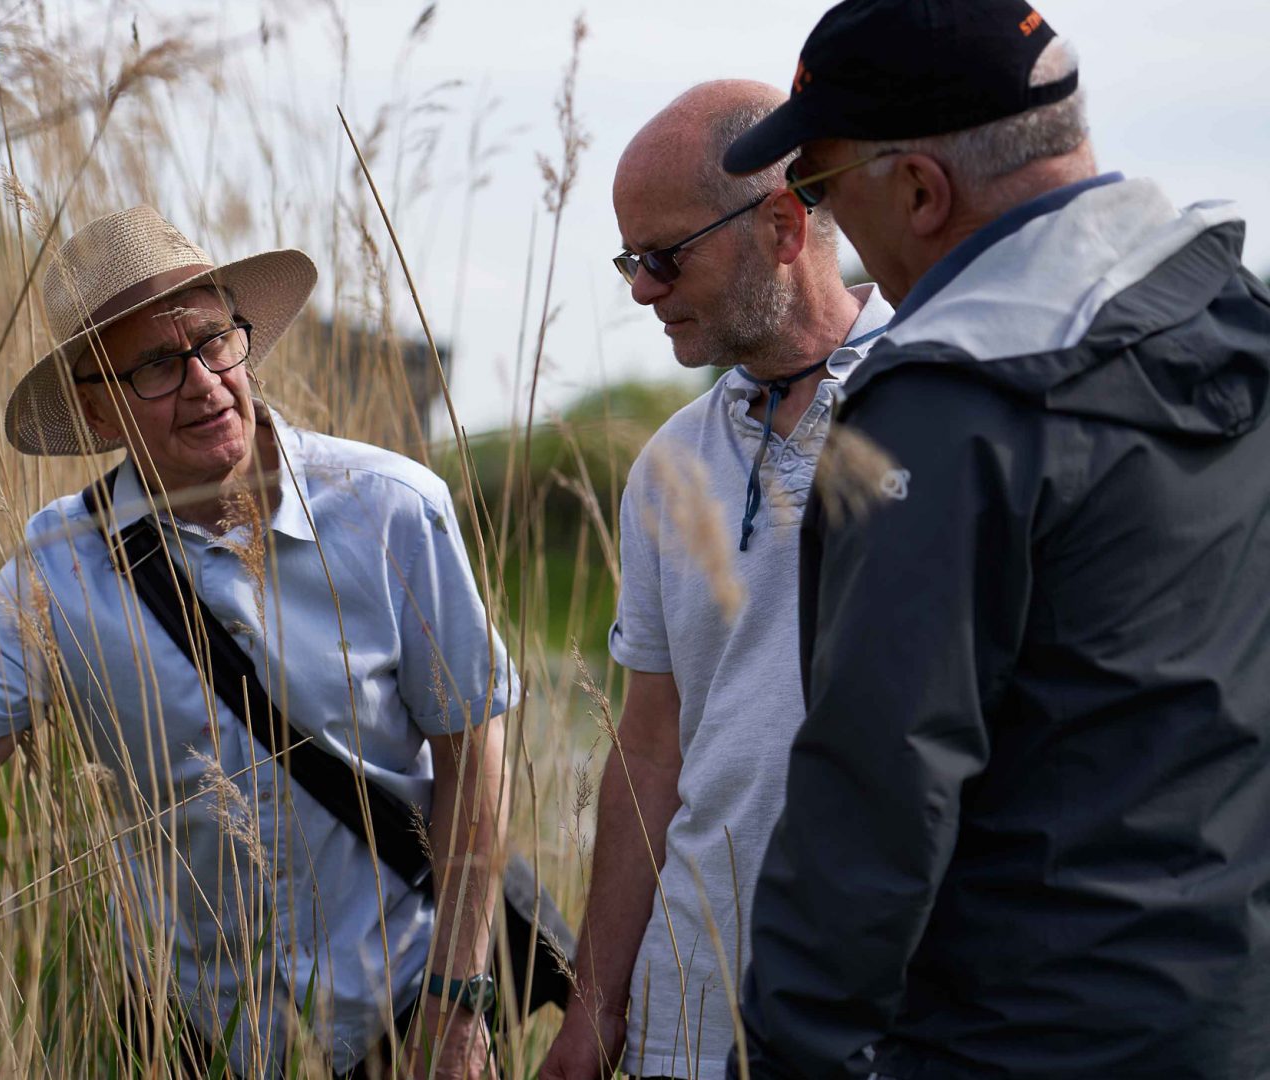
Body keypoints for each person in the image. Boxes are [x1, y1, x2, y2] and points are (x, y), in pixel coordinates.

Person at [0, 206, 523, 1078]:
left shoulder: (391, 510)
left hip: (403, 1016)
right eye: (154, 364)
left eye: (215, 341)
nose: (203, 381)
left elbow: (472, 748)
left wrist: (457, 1000)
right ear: (97, 409)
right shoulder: (61, 573)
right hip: (198, 1041)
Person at [719, 1, 1270, 1076]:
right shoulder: (1242, 327)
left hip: (1009, 1042)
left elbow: (876, 789)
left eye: (820, 187)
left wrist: (792, 1048)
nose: (821, 223)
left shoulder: (952, 402)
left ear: (922, 190)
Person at [540, 80, 891, 1080]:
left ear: (783, 225)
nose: (642, 288)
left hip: (889, 1012)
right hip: (689, 1015)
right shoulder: (667, 465)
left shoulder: (943, 399)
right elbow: (650, 746)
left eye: (664, 257)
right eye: (628, 262)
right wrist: (596, 1011)